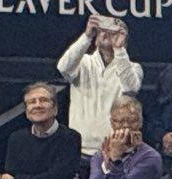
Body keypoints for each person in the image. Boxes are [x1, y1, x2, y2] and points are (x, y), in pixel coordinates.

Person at [56, 15, 141, 157]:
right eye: (103, 29)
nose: (107, 33)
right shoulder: (82, 61)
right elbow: (63, 68)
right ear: (96, 37)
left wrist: (119, 49)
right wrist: (87, 36)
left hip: (115, 149)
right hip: (79, 148)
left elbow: (131, 88)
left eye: (115, 30)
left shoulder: (133, 67)